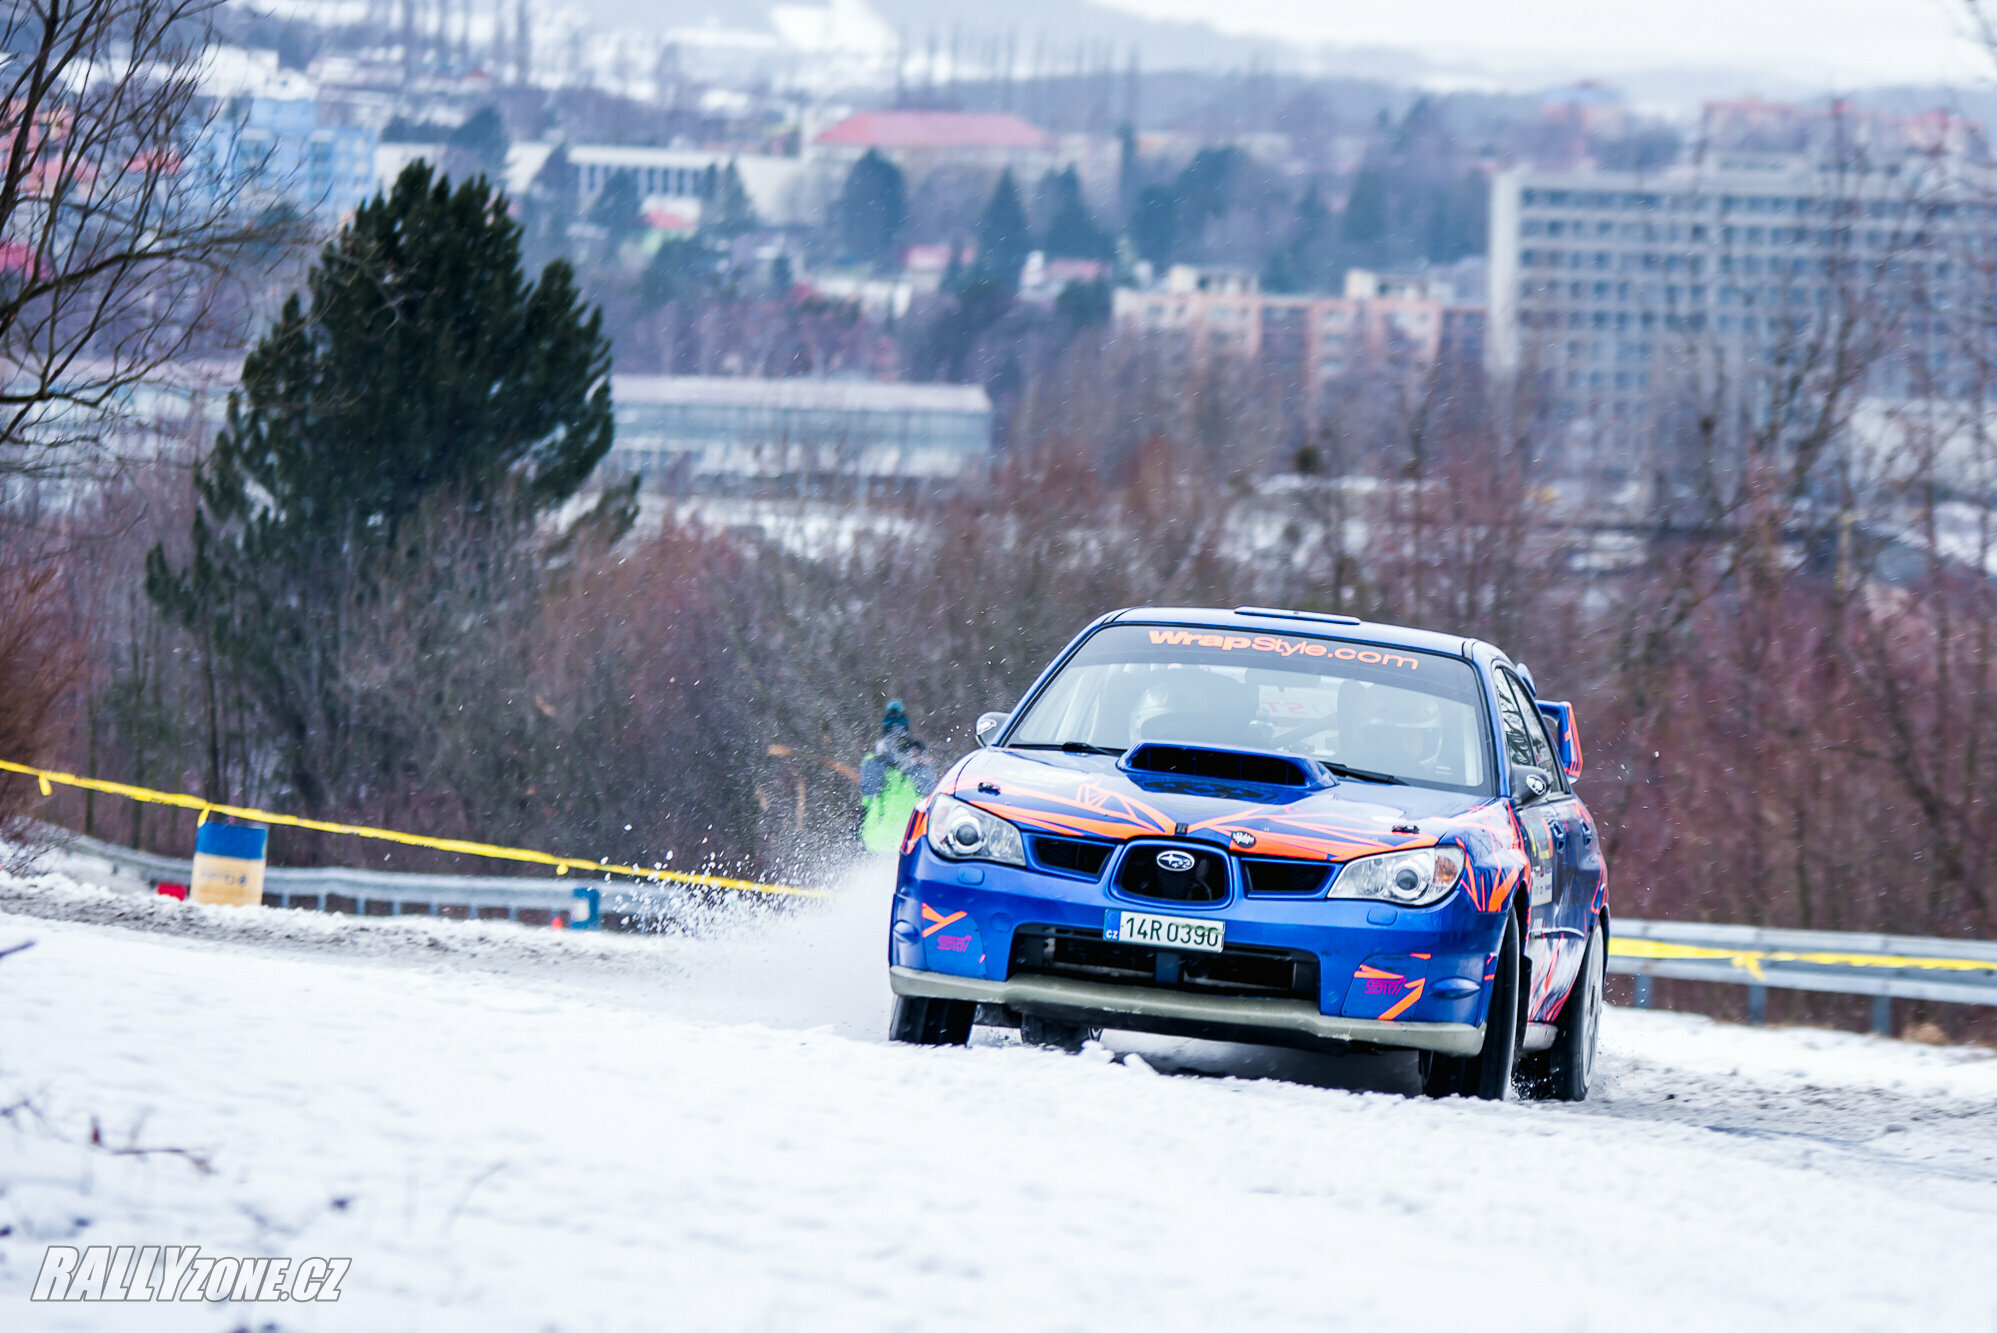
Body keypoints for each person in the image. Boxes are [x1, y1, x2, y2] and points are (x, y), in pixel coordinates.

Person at [858, 699, 937, 853]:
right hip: (884, 840)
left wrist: (913, 762)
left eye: (900, 739)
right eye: (891, 737)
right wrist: (883, 759)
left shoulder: (918, 763)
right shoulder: (873, 762)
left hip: (906, 839)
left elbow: (930, 795)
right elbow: (869, 793)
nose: (895, 742)